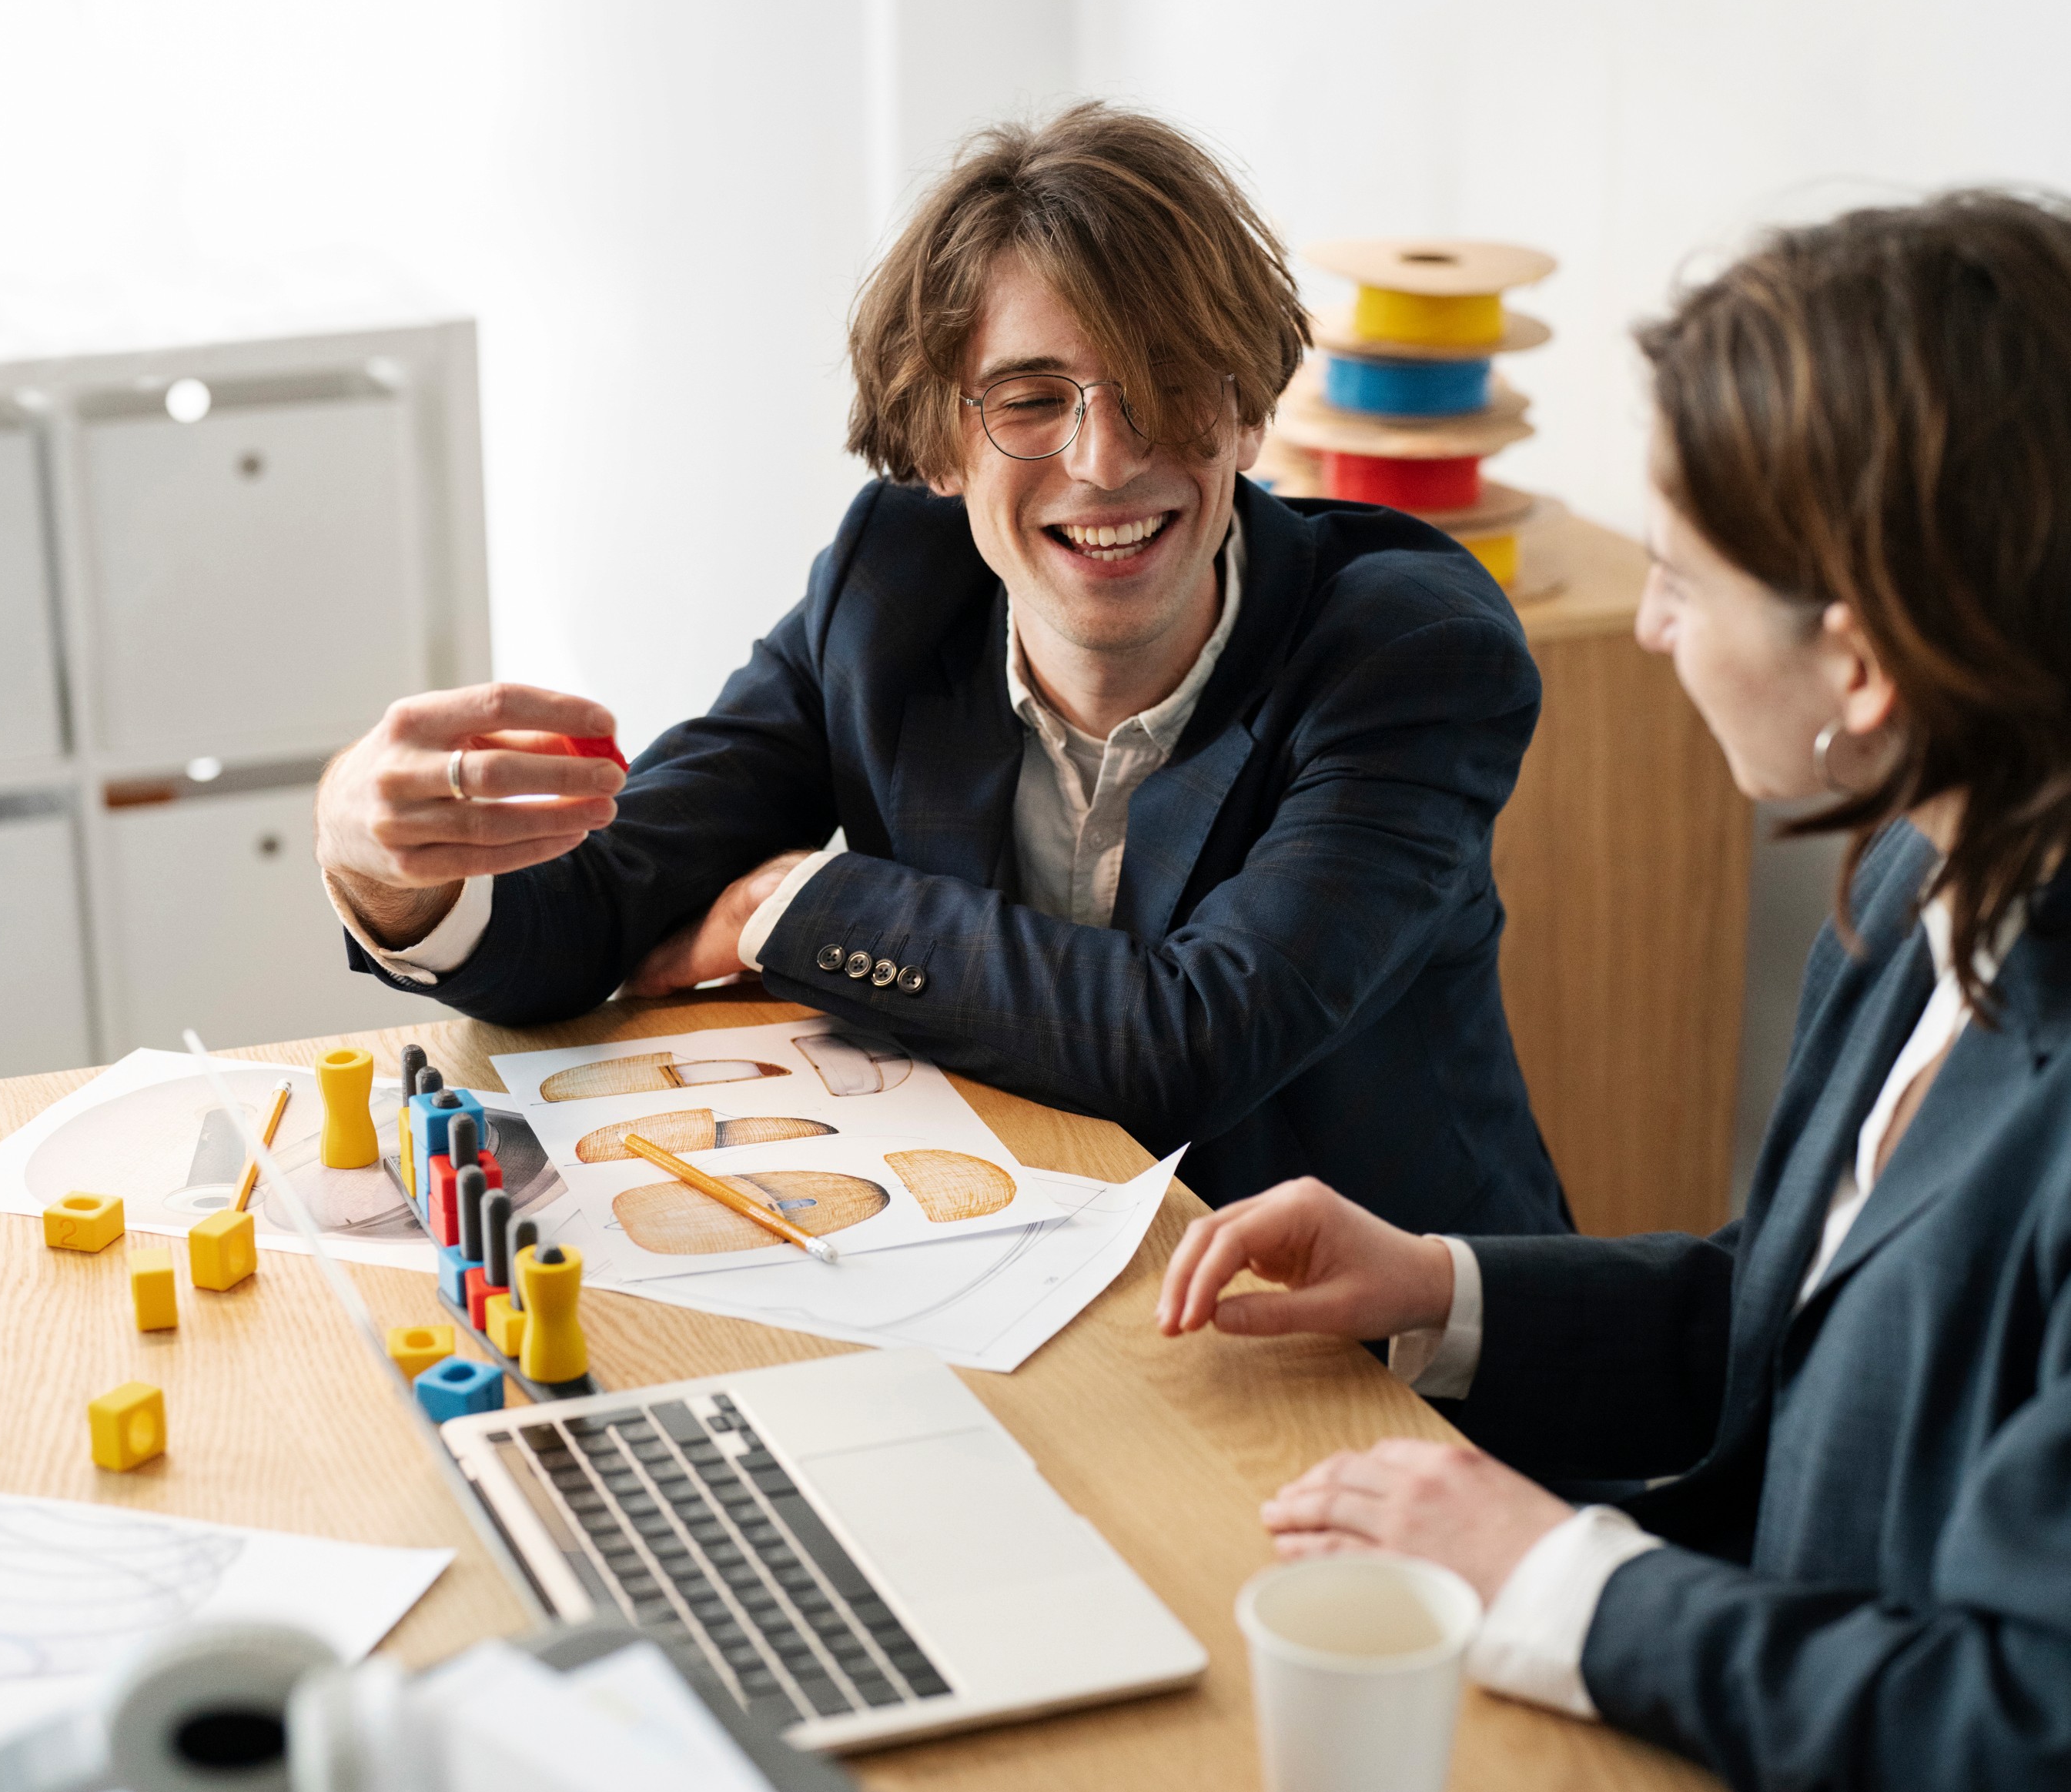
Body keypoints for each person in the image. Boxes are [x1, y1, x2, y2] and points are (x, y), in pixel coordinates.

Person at [1157, 190, 2071, 1792]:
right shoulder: (1915, 880)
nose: (1650, 629)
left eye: (1677, 576)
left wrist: (1565, 1581)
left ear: (1863, 662)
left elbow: (2028, 1760)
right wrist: (1439, 1290)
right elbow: (1801, 1323)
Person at [315, 105, 1568, 1234]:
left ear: (1248, 412)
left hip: (1388, 1373)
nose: (1105, 458)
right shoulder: (892, 587)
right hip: (1031, 1290)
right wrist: (386, 870)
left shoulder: (1410, 653)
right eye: (1029, 399)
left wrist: (785, 908)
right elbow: (601, 913)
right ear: (934, 442)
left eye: (1170, 385)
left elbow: (1193, 1038)